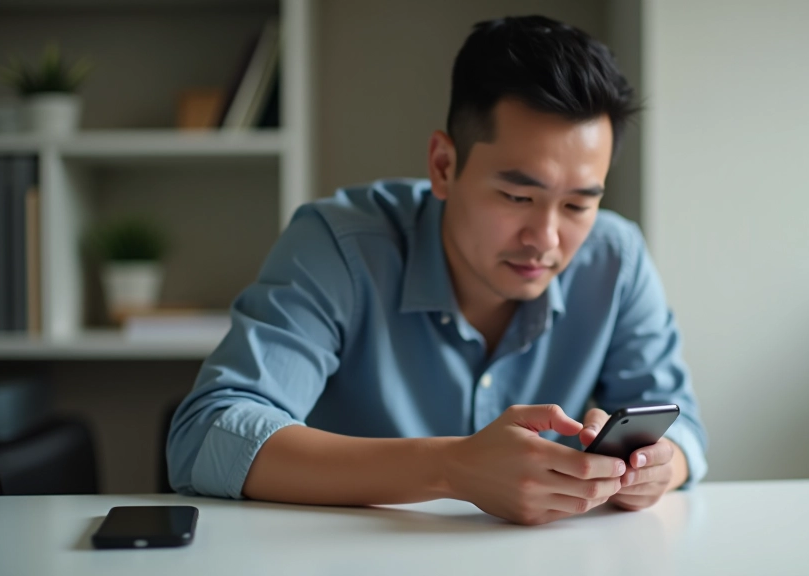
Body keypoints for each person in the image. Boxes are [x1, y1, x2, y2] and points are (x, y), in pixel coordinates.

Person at [167, 14, 707, 526]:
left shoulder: (617, 258)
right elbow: (208, 435)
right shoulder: (338, 244)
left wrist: (657, 468)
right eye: (518, 196)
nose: (545, 239)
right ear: (444, 166)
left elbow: (685, 437)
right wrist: (452, 467)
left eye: (577, 205)